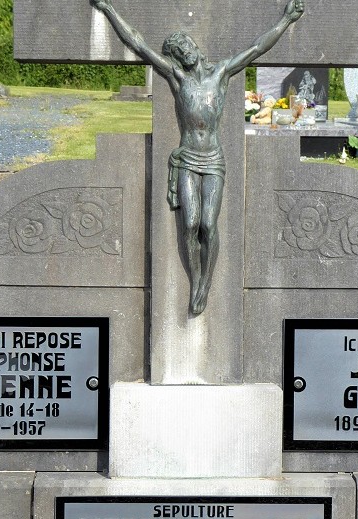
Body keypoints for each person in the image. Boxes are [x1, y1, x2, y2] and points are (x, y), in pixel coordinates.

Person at [91, 0, 305, 315]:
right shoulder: (178, 79)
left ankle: (206, 283)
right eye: (179, 52)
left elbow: (258, 47)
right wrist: (109, 9)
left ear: (195, 46)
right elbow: (137, 43)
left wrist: (287, 20)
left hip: (213, 159)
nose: (185, 53)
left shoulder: (221, 73)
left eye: (187, 47)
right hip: (189, 159)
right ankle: (196, 281)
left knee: (208, 223)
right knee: (189, 224)